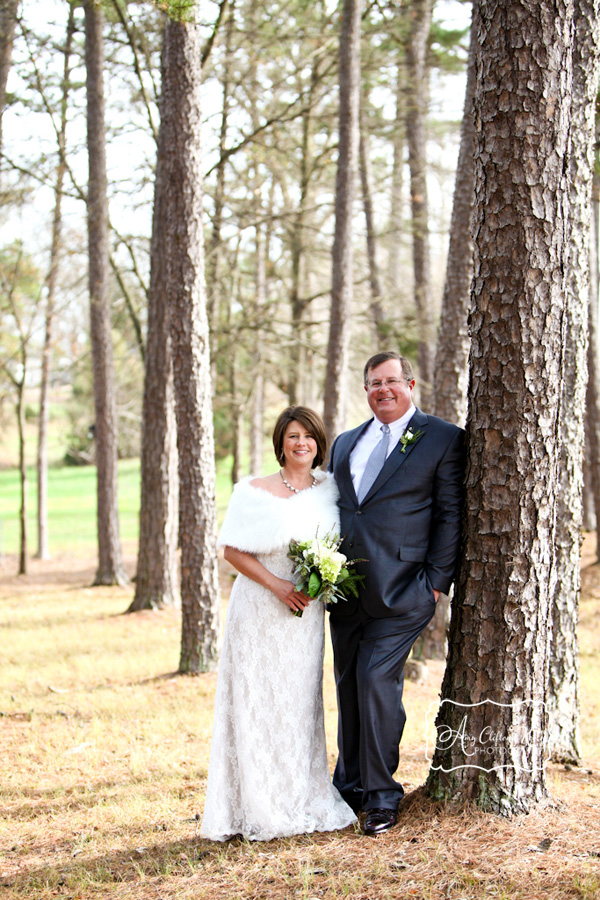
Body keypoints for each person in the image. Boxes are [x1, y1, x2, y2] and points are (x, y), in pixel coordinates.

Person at [201, 406, 356, 842]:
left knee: (298, 704)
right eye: (292, 436)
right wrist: (277, 586)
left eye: (308, 435)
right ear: (280, 443)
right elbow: (231, 550)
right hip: (260, 609)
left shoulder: (329, 490)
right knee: (256, 702)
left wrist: (320, 579)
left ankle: (297, 793)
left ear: (319, 442)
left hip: (305, 616)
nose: (301, 443)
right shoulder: (254, 490)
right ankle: (254, 803)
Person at [328, 352, 465, 835]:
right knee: (347, 687)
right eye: (372, 384)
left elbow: (450, 513)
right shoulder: (345, 443)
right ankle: (348, 787)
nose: (382, 390)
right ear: (365, 390)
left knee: (374, 682)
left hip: (405, 590)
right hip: (345, 590)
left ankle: (383, 797)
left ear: (409, 383)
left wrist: (435, 583)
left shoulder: (444, 438)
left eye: (390, 381)